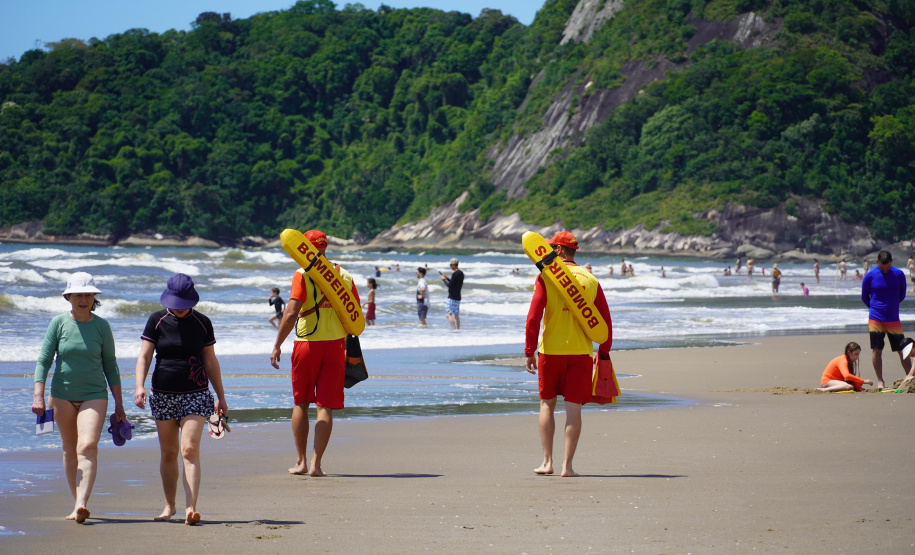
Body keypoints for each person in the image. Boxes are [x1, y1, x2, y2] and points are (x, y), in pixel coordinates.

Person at [32, 272, 126, 523]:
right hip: (61, 395)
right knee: (69, 448)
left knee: (87, 446)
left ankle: (82, 504)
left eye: (88, 294)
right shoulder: (58, 323)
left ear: (94, 297)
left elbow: (110, 365)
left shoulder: (102, 326)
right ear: (69, 296)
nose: (83, 299)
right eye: (78, 294)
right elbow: (43, 360)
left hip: (94, 394)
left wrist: (119, 403)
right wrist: (38, 396)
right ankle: (76, 505)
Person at [135, 274, 228, 525]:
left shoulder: (202, 323)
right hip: (163, 395)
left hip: (196, 395)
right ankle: (169, 506)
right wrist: (139, 386)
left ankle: (191, 508)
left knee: (189, 449)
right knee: (168, 453)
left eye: (184, 302)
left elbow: (210, 361)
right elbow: (144, 357)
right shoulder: (156, 320)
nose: (180, 306)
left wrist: (220, 396)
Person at [270, 230, 359, 476]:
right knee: (325, 407)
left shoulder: (302, 274)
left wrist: (277, 344)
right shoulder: (345, 275)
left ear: (304, 248)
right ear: (325, 247)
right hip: (335, 346)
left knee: (301, 402)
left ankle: (301, 462)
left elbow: (291, 312)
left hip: (307, 344)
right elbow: (354, 316)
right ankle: (317, 464)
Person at [525, 231, 612, 478]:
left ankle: (547, 462)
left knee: (546, 405)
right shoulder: (591, 279)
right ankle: (568, 467)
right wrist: (603, 353)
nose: (549, 251)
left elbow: (533, 317)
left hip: (550, 351)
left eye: (552, 247)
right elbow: (605, 323)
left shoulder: (546, 277)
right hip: (580, 353)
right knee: (574, 409)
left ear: (560, 251)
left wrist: (529, 350)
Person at [861, 250, 911, 390]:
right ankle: (880, 381)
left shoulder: (898, 274)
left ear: (892, 261)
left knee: (902, 349)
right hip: (875, 319)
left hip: (893, 319)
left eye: (888, 267)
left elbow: (902, 294)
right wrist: (875, 308)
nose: (886, 269)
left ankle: (910, 377)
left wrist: (891, 306)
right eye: (883, 267)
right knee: (877, 350)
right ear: (877, 262)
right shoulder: (870, 275)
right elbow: (865, 297)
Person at [440, 257, 464, 330]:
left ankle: (454, 329)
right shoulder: (461, 273)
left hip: (452, 297)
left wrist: (443, 280)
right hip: (458, 297)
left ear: (454, 265)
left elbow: (450, 286)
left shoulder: (455, 274)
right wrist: (447, 278)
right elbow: (454, 284)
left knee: (448, 314)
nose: (450, 266)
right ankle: (458, 329)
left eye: (451, 265)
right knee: (456, 315)